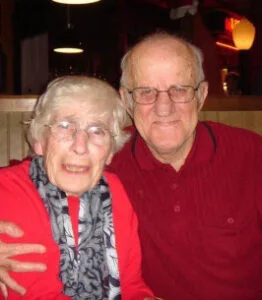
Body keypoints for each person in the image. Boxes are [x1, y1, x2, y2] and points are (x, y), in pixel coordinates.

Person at [1, 32, 262, 300]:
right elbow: (38, 170)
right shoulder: (103, 160)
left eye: (180, 90)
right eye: (146, 92)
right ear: (127, 100)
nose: (164, 107)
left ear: (202, 94)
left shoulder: (253, 155)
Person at [0, 75, 154, 299]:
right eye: (65, 126)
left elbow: (131, 285)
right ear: (40, 141)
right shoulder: (11, 191)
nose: (80, 146)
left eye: (97, 130)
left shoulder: (114, 192)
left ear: (110, 151)